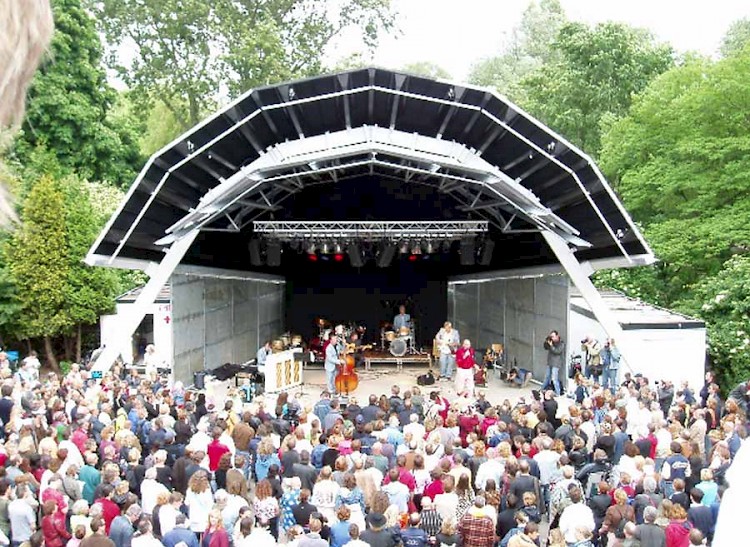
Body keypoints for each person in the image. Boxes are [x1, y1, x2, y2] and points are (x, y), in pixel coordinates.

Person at [542, 330, 565, 395]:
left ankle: (558, 392)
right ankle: (542, 389)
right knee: (547, 376)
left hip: (556, 363)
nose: (552, 338)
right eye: (551, 336)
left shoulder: (561, 343)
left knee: (554, 378)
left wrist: (551, 345)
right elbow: (545, 347)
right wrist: (546, 342)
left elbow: (557, 351)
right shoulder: (551, 341)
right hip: (550, 362)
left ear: (557, 336)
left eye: (553, 336)